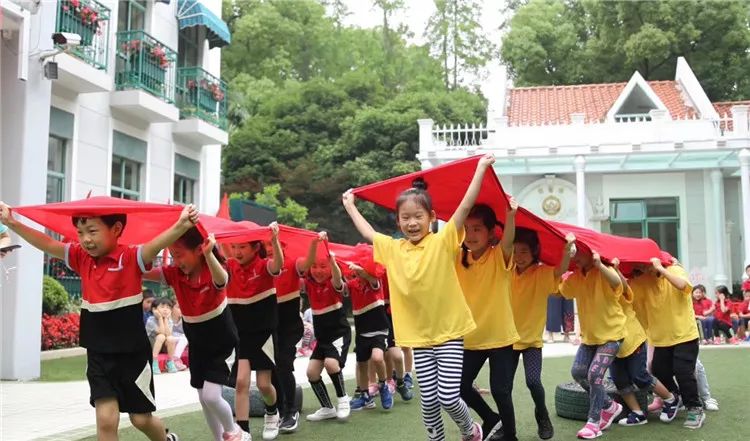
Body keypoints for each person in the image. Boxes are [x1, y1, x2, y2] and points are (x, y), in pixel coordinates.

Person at [0, 201, 192, 441]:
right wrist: (11, 222)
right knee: (105, 420)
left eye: (92, 231)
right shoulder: (81, 257)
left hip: (132, 355)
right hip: (99, 354)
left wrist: (182, 225)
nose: (85, 239)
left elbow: (155, 246)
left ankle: (166, 439)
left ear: (117, 229)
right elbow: (48, 244)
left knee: (140, 418)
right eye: (80, 233)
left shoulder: (131, 256)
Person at [342, 154, 497, 441]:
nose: (412, 223)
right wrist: (351, 206)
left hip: (449, 332)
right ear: (398, 221)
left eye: (418, 217)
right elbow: (368, 232)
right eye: (405, 218)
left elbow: (464, 206)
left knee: (448, 396)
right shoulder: (394, 249)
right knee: (428, 402)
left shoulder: (443, 240)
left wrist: (480, 169)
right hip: (418, 337)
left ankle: (469, 429)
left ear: (432, 218)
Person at [146, 228, 247, 441]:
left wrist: (210, 254)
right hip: (198, 343)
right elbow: (142, 270)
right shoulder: (175, 274)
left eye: (180, 254)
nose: (176, 260)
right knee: (203, 398)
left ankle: (235, 432)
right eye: (173, 255)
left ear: (198, 250)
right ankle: (220, 438)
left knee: (211, 396)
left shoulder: (213, 268)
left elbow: (223, 280)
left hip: (221, 342)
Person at [454, 201, 519, 440]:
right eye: (467, 228)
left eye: (477, 229)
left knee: (501, 391)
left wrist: (510, 216)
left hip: (499, 336)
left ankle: (510, 435)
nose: (470, 235)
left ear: (491, 233)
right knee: (458, 387)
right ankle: (491, 418)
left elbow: (509, 240)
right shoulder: (458, 259)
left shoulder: (498, 256)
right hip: (470, 337)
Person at [510, 229, 575, 440]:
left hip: (531, 342)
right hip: (505, 340)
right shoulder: (505, 269)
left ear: (534, 251)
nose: (519, 256)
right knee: (502, 387)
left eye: (524, 251)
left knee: (533, 382)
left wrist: (567, 252)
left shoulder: (541, 272)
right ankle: (505, 425)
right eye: (515, 251)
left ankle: (543, 415)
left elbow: (560, 271)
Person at [630, 257, 704, 430]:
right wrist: (632, 278)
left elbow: (683, 286)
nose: (642, 266)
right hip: (661, 337)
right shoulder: (642, 282)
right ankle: (675, 396)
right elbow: (632, 301)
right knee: (659, 370)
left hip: (684, 335)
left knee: (683, 371)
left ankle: (695, 408)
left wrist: (662, 270)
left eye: (645, 264)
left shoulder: (674, 270)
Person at [559, 247, 625, 440]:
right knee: (578, 373)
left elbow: (616, 282)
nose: (575, 256)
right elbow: (563, 291)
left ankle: (593, 422)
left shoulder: (605, 270)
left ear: (591, 253)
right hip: (590, 337)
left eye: (578, 252)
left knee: (595, 374)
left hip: (612, 334)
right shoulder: (576, 276)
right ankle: (610, 406)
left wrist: (599, 265)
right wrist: (562, 264)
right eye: (573, 252)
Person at [226, 223, 283, 440]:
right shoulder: (229, 266)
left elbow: (278, 264)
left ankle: (272, 411)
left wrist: (275, 240)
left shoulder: (263, 266)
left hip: (264, 334)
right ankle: (243, 430)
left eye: (242, 247)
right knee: (241, 382)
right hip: (241, 335)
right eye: (234, 247)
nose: (237, 252)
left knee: (263, 385)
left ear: (254, 247)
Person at [609, 259, 678, 427]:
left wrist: (616, 270)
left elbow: (624, 288)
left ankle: (670, 399)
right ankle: (638, 413)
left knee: (639, 376)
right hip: (610, 341)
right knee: (620, 379)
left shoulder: (622, 286)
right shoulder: (595, 287)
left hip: (632, 339)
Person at [297, 232, 352, 423]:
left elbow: (337, 278)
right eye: (314, 266)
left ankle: (343, 399)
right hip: (323, 338)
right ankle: (327, 407)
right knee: (311, 372)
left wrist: (334, 263)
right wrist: (313, 244)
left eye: (323, 266)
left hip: (338, 334)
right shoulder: (308, 283)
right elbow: (298, 270)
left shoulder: (334, 282)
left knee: (331, 364)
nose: (318, 270)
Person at [264, 239, 305, 433]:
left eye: (274, 244)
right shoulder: (262, 266)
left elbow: (306, 264)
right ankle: (279, 410)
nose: (269, 249)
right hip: (267, 325)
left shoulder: (292, 263)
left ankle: (292, 411)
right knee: (271, 369)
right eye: (267, 245)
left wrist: (314, 246)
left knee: (283, 364)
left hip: (289, 326)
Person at [346, 262, 398, 411]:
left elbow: (371, 279)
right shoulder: (353, 284)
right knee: (362, 364)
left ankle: (383, 386)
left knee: (377, 358)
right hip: (362, 331)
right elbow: (340, 285)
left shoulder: (376, 282)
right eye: (355, 274)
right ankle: (364, 395)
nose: (357, 276)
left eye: (359, 272)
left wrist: (361, 270)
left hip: (379, 329)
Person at [146, 297, 186, 374]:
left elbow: (168, 334)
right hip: (151, 345)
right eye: (162, 307)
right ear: (154, 309)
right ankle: (154, 361)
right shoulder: (151, 320)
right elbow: (162, 332)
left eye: (168, 308)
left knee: (171, 338)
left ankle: (170, 361)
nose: (165, 309)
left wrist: (166, 320)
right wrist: (160, 318)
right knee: (161, 336)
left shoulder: (169, 320)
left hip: (162, 346)